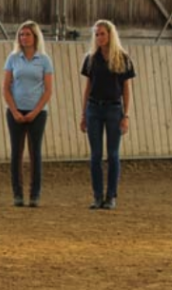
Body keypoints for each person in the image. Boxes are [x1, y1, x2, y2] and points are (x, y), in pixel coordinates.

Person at [80, 20, 135, 210]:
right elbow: (88, 88)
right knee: (95, 155)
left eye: (102, 34)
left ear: (110, 35)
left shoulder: (122, 58)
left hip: (114, 109)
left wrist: (125, 115)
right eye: (96, 34)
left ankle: (111, 196)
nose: (99, 38)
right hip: (94, 108)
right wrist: (83, 114)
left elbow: (126, 89)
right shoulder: (91, 59)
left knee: (113, 154)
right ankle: (97, 196)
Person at [2, 20, 53, 208]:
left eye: (27, 34)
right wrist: (14, 111)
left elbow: (48, 90)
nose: (24, 38)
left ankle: (35, 194)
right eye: (21, 35)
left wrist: (35, 111)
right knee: (17, 153)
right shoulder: (13, 58)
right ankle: (17, 193)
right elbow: (6, 87)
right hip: (16, 111)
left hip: (37, 113)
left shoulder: (44, 60)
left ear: (35, 37)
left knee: (35, 153)